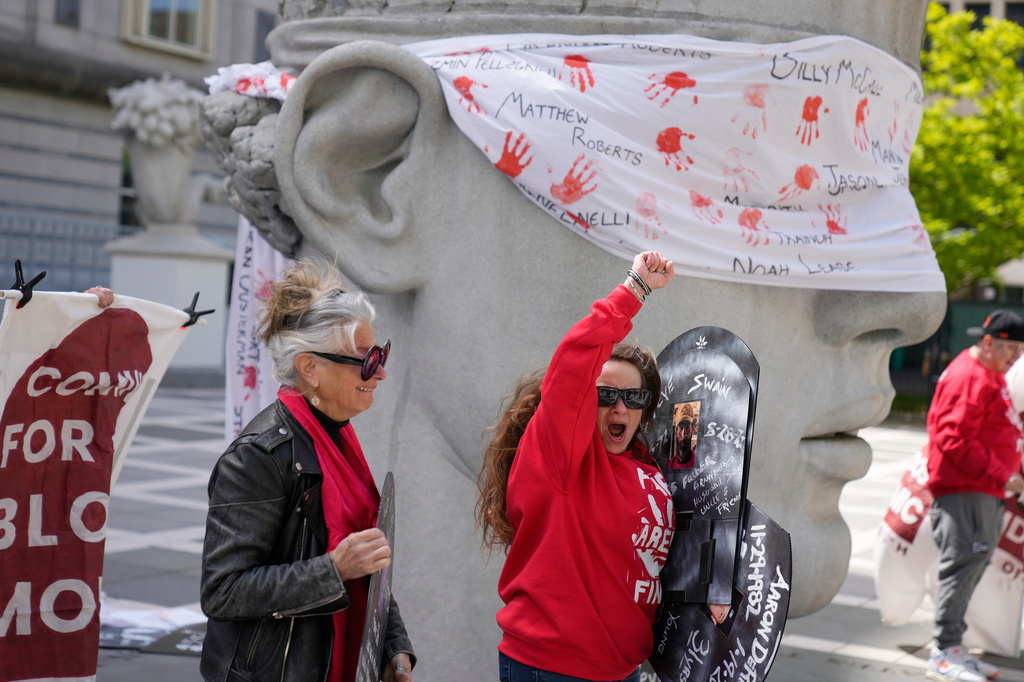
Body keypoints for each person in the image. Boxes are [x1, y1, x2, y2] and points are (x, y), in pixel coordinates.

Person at [197, 1, 949, 674]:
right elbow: (568, 376)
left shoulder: (637, 473)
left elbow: (653, 555)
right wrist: (634, 293)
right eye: (779, 170)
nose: (917, 302)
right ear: (371, 171)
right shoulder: (556, 463)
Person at [200, 261, 415, 682]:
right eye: (366, 360)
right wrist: (332, 570)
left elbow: (367, 562)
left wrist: (394, 647)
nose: (381, 372)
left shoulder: (334, 436)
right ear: (310, 368)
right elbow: (222, 590)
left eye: (380, 354)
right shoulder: (261, 455)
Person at [476, 251, 675, 681]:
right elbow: (573, 363)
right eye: (606, 395)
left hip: (623, 669)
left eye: (634, 398)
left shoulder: (647, 467)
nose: (620, 407)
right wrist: (634, 289)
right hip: (554, 669)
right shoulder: (561, 456)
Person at [924, 310, 1024, 682]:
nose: (1016, 357)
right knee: (962, 565)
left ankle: (951, 647)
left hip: (981, 489)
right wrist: (1004, 475)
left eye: (1020, 350)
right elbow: (953, 439)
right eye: (1011, 348)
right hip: (968, 490)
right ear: (988, 341)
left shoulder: (986, 373)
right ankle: (943, 652)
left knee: (969, 565)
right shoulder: (971, 376)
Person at [670, 402, 698, 469]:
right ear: (675, 431)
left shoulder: (698, 463)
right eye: (680, 427)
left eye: (687, 427)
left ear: (693, 429)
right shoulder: (670, 464)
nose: (683, 434)